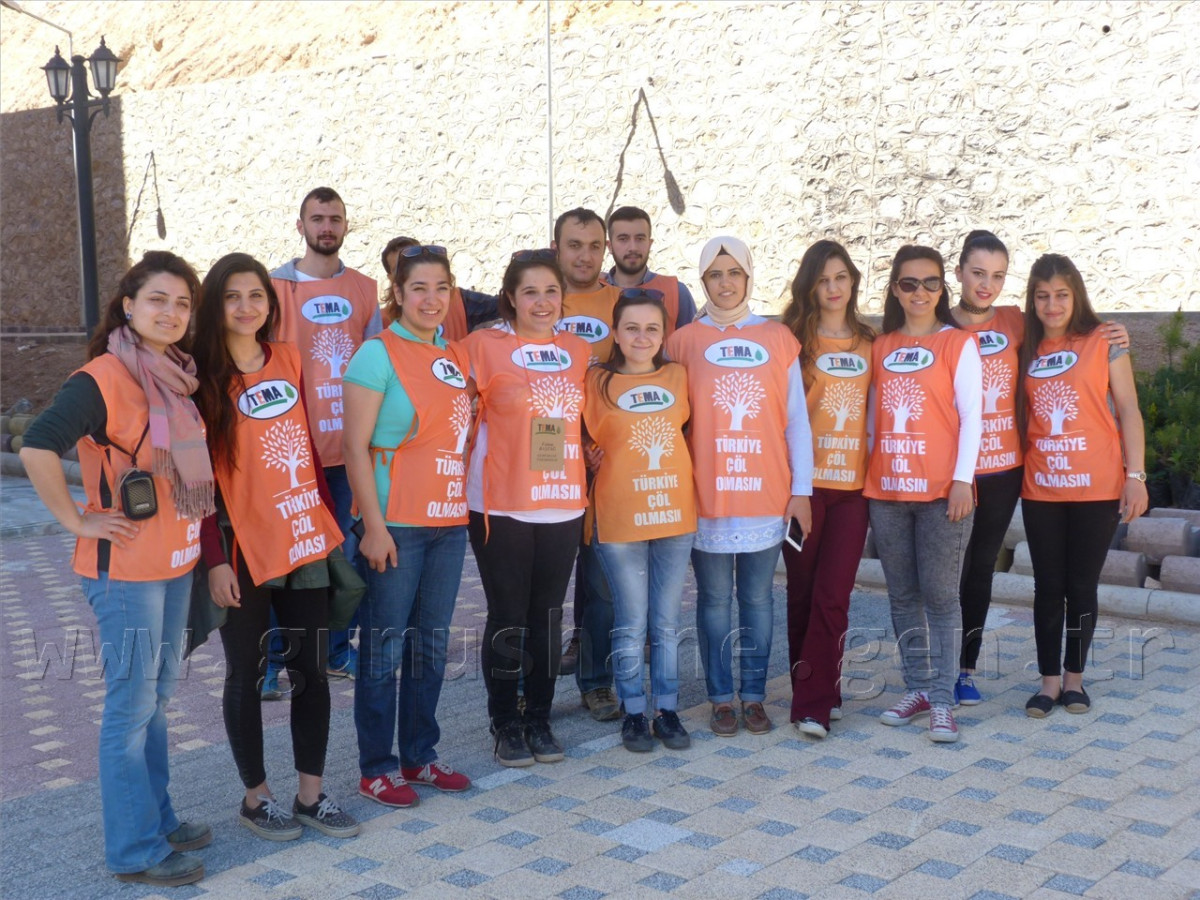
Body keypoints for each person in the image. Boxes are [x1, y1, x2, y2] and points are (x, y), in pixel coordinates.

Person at [20, 251, 214, 887]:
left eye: (182, 303)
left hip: (175, 559)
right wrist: (78, 520)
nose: (171, 312)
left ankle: (157, 819)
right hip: (126, 568)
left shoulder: (177, 373)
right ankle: (135, 851)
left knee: (156, 698)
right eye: (158, 299)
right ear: (128, 306)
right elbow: (37, 445)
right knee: (131, 706)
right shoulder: (102, 377)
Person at [191, 252, 359, 842]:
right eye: (232, 296)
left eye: (256, 295)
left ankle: (311, 796)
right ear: (215, 304)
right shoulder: (198, 378)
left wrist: (325, 516)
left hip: (302, 536)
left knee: (310, 670)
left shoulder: (287, 358)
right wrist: (213, 560)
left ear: (270, 302)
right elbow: (196, 480)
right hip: (239, 543)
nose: (246, 307)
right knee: (247, 670)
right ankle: (255, 798)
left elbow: (305, 447)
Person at [949, 231, 1129, 706]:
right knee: (958, 575)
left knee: (998, 573)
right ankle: (943, 670)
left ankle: (1053, 679)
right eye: (978, 273)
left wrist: (1136, 476)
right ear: (959, 272)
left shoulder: (1028, 325)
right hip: (976, 475)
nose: (986, 284)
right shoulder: (951, 327)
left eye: (997, 276)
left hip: (1028, 474)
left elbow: (1125, 405)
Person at [665, 235, 814, 737]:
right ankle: (719, 698)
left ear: (749, 276)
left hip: (766, 493)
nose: (725, 283)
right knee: (712, 600)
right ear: (703, 280)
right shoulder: (682, 342)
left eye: (734, 273)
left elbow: (797, 421)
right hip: (705, 494)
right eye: (715, 274)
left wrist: (802, 490)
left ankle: (754, 696)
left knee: (757, 599)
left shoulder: (778, 338)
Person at [343, 244, 474, 807]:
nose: (431, 298)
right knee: (383, 648)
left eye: (441, 287)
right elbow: (353, 447)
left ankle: (420, 755)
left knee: (431, 645)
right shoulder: (376, 354)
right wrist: (373, 527)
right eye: (418, 287)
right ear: (397, 293)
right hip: (394, 524)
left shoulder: (454, 354)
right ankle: (376, 767)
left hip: (448, 522)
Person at [461, 249, 590, 765]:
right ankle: (505, 722)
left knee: (548, 618)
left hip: (563, 502)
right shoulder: (480, 347)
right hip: (501, 504)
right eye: (530, 291)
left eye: (551, 291)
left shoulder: (578, 349)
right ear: (510, 298)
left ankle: (538, 718)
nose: (542, 302)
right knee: (508, 616)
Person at [1017, 254, 1147, 717]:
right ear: (1032, 300)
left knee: (1082, 585)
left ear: (1076, 296)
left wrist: (1136, 476)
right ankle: (1048, 683)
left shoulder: (1105, 340)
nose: (1052, 305)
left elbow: (1128, 409)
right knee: (1048, 586)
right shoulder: (1024, 347)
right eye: (1042, 296)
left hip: (1098, 487)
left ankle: (1075, 680)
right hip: (1041, 488)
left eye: (1061, 295)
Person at [864, 245, 982, 744]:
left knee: (940, 597)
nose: (920, 292)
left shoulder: (958, 344)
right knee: (903, 597)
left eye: (930, 282)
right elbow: (872, 419)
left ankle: (942, 699)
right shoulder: (881, 346)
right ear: (895, 289)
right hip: (887, 491)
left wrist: (963, 480)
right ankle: (916, 688)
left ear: (942, 288)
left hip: (941, 494)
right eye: (909, 283)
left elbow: (972, 416)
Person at [271, 186, 380, 678]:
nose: (326, 227)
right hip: (292, 454)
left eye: (335, 218)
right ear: (301, 226)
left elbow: (378, 364)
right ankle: (274, 658)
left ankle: (336, 650)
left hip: (350, 452)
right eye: (317, 218)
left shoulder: (364, 289)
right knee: (286, 556)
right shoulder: (273, 288)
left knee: (347, 556)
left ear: (346, 225)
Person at [584, 289, 697, 753]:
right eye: (631, 327)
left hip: (674, 513)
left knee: (666, 622)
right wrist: (586, 456)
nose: (641, 337)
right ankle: (633, 712)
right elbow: (575, 436)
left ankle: (667, 710)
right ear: (615, 332)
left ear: (664, 333)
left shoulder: (679, 375)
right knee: (631, 622)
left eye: (652, 328)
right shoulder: (595, 381)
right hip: (619, 517)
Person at [779, 240, 874, 739]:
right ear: (810, 287)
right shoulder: (793, 342)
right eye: (823, 280)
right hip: (804, 488)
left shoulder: (871, 342)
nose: (833, 288)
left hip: (853, 491)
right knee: (802, 594)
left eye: (841, 277)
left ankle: (812, 704)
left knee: (834, 595)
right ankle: (817, 689)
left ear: (853, 281)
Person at [552, 207, 624, 719]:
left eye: (594, 245)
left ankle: (596, 681)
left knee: (601, 584)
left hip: (606, 463)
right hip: (548, 463)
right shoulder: (538, 298)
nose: (585, 255)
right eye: (574, 245)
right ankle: (530, 689)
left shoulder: (621, 304)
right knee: (544, 586)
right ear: (556, 247)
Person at [602, 205, 697, 334]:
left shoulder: (676, 292)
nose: (633, 247)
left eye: (640, 239)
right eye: (623, 239)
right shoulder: (596, 290)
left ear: (650, 244)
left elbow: (692, 343)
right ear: (609, 246)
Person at [381, 235, 498, 337]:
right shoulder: (381, 325)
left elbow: (502, 306)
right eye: (399, 268)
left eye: (416, 263)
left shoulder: (460, 301)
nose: (432, 301)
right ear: (391, 278)